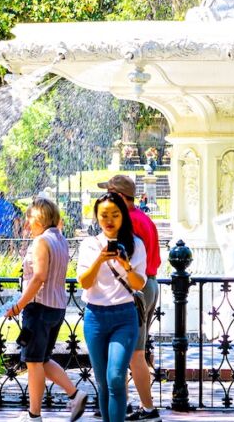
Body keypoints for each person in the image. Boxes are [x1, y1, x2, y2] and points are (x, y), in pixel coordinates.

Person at [6, 197, 90, 422]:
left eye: (29, 219)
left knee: (33, 362)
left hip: (39, 308)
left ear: (39, 218)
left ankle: (34, 416)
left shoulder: (41, 242)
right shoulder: (60, 239)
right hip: (56, 308)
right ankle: (75, 393)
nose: (27, 225)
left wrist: (18, 305)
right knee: (42, 359)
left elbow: (39, 277)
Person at [76, 192, 147, 422]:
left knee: (115, 376)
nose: (109, 220)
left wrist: (125, 264)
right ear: (96, 218)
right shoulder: (89, 245)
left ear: (123, 217)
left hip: (124, 317)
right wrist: (99, 259)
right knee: (103, 382)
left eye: (115, 215)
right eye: (104, 215)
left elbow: (139, 283)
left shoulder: (135, 245)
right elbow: (84, 282)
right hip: (95, 317)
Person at [97, 174, 162, 421]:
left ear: (120, 197)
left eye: (110, 195)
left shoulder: (130, 223)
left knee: (134, 352)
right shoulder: (144, 218)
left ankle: (148, 409)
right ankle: (121, 405)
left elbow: (126, 264)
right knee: (129, 351)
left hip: (137, 288)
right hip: (148, 284)